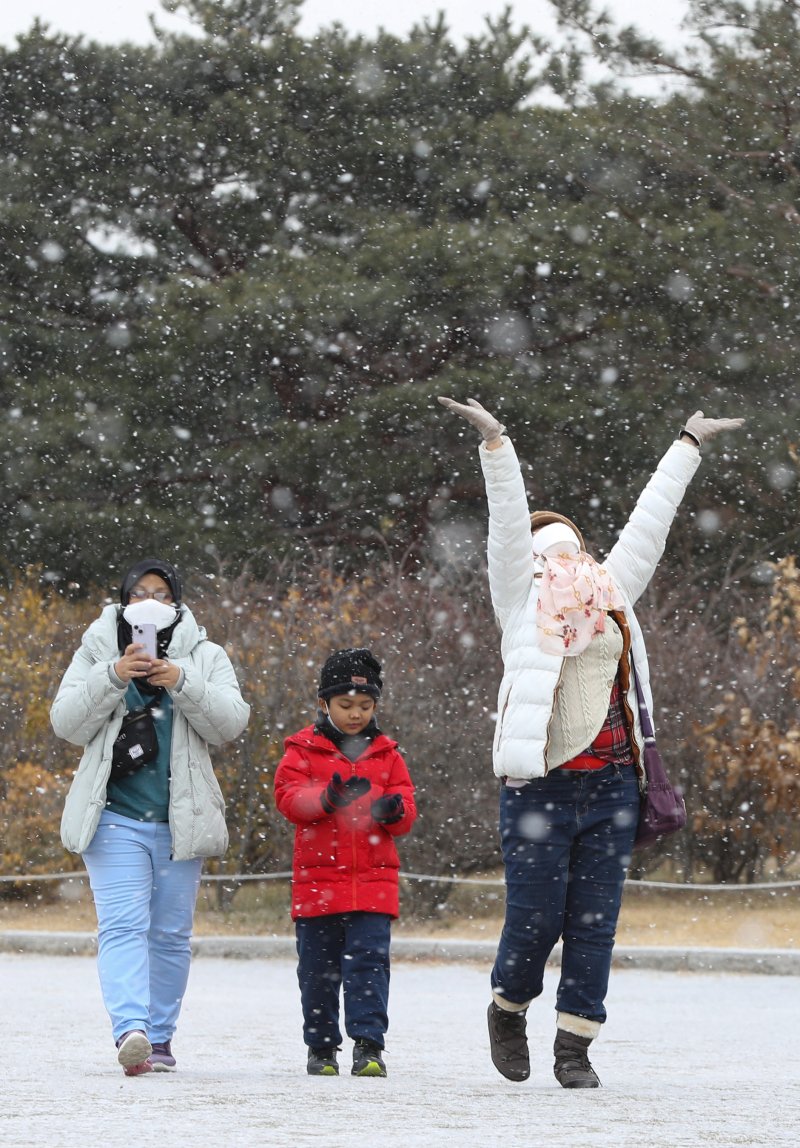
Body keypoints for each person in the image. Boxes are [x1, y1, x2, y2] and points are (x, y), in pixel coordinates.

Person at [437, 397, 744, 1089]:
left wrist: (688, 443)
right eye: (546, 545)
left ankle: (575, 1046)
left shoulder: (612, 592)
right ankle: (507, 1006)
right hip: (539, 784)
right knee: (535, 920)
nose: (557, 552)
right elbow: (508, 527)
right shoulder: (519, 598)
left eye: (567, 540)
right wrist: (497, 443)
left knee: (595, 928)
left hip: (612, 785)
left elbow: (651, 521)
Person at [50, 557, 250, 1077]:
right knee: (121, 926)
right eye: (138, 593)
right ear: (122, 602)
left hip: (180, 821)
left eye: (160, 593)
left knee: (168, 934)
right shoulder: (96, 649)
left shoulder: (206, 655)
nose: (149, 602)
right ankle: (130, 1029)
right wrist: (112, 676)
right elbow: (66, 723)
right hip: (113, 815)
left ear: (177, 603)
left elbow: (230, 722)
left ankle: (158, 1037)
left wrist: (182, 681)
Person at [274, 647, 417, 1079]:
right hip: (319, 884)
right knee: (317, 970)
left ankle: (369, 1045)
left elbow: (407, 808)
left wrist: (393, 811)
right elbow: (288, 798)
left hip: (373, 885)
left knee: (370, 967)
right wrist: (326, 799)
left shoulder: (388, 754)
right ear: (324, 704)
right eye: (346, 705)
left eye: (365, 706)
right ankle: (321, 1047)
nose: (356, 714)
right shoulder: (301, 750)